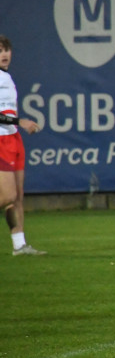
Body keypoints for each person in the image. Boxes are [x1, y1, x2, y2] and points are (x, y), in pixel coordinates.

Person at [0, 35, 44, 256]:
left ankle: (19, 245)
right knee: (7, 196)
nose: (5, 54)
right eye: (0, 50)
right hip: (1, 139)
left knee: (17, 196)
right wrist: (20, 121)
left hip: (14, 138)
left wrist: (17, 125)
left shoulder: (7, 78)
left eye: (6, 49)